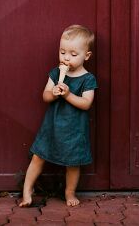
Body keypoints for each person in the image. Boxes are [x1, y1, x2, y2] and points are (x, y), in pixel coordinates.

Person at [19, 24, 97, 208]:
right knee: (39, 155)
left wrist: (68, 94)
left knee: (73, 163)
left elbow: (86, 104)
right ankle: (27, 190)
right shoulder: (56, 73)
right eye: (62, 52)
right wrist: (53, 92)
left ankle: (69, 192)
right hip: (52, 125)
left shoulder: (88, 79)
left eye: (73, 54)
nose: (66, 58)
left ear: (86, 56)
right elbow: (45, 96)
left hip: (74, 129)